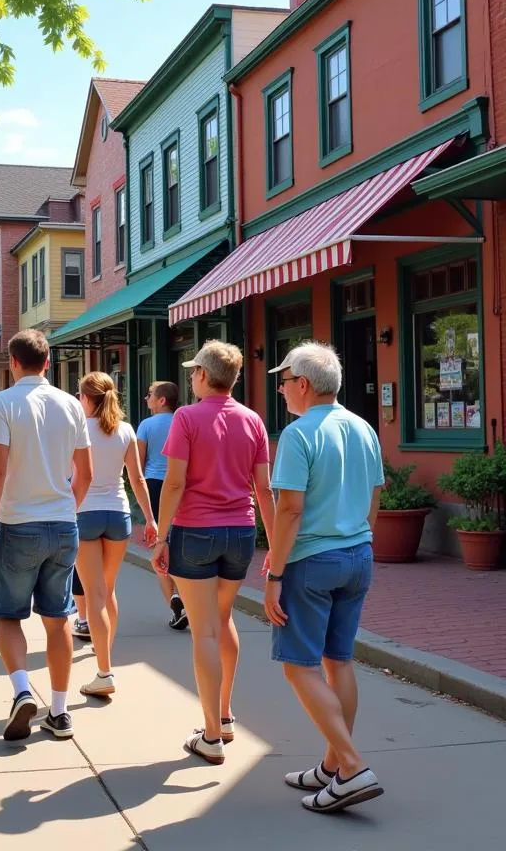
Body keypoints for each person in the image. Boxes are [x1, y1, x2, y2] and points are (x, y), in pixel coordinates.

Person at [265, 342, 385, 813]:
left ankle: (352, 767)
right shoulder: (363, 427)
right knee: (339, 661)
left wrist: (274, 572)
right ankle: (334, 764)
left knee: (299, 665)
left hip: (312, 560)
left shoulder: (298, 434)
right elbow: (375, 494)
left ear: (304, 385)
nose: (279, 387)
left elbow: (289, 509)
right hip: (358, 555)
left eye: (284, 379)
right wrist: (361, 539)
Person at [152, 340, 275, 766]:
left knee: (204, 630)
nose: (190, 378)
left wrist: (161, 536)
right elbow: (264, 489)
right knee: (222, 621)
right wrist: (275, 544)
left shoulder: (186, 417)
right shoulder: (253, 420)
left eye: (193, 371)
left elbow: (174, 483)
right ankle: (223, 716)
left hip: (195, 532)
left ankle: (210, 736)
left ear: (204, 375)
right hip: (241, 531)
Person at [0, 330, 92, 742]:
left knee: (9, 615)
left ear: (12, 362)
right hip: (62, 522)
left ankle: (23, 689)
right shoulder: (71, 405)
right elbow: (86, 473)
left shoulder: (4, 404)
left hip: (17, 522)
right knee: (58, 617)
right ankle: (60, 712)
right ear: (48, 362)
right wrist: (66, 507)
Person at [75, 372, 157, 698]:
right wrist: (150, 519)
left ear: (86, 398)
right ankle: (103, 660)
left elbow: (71, 475)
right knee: (108, 592)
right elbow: (137, 479)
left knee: (94, 596)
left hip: (85, 513)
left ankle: (104, 671)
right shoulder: (124, 430)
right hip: (119, 514)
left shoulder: (78, 429)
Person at [137, 381, 187, 630]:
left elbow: (139, 460)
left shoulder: (146, 425)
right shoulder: (184, 420)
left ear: (162, 400)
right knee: (181, 542)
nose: (147, 399)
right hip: (182, 484)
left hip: (155, 485)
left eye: (150, 396)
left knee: (160, 544)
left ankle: (174, 602)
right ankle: (183, 596)